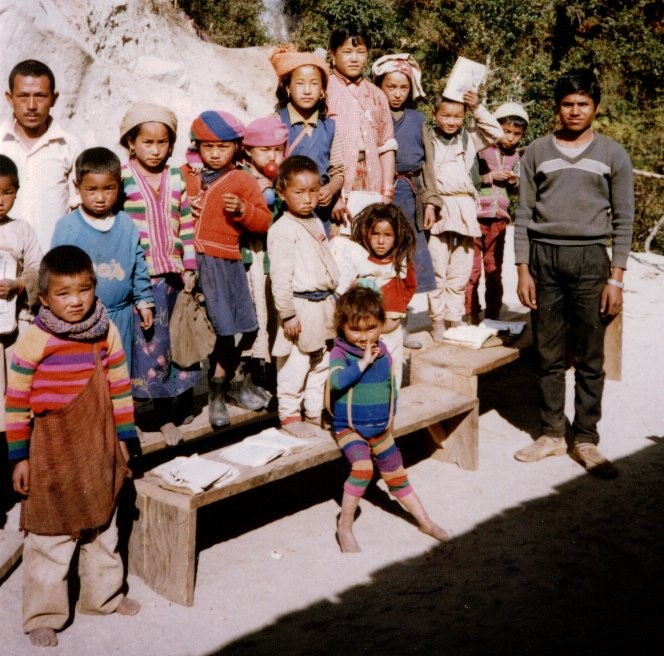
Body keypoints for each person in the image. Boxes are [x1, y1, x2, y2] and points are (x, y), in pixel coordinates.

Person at [6, 245, 140, 648]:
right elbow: (15, 400)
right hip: (50, 447)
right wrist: (19, 457)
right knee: (50, 533)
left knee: (103, 523)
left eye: (84, 290)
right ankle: (44, 613)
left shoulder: (105, 330)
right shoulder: (35, 339)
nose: (77, 301)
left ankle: (102, 596)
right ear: (44, 299)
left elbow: (119, 386)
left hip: (98, 439)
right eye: (64, 293)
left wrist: (124, 438)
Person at [513, 68, 634, 478]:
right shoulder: (536, 151)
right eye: (568, 103)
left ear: (595, 108)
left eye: (583, 103)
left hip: (590, 262)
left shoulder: (613, 154)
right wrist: (523, 269)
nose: (575, 110)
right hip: (544, 260)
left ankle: (585, 438)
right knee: (546, 353)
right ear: (557, 107)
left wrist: (616, 277)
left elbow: (623, 220)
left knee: (589, 355)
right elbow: (523, 215)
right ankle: (550, 433)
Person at [327, 286, 451, 552]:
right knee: (363, 469)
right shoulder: (341, 353)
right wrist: (361, 364)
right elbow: (336, 382)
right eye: (355, 330)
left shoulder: (384, 352)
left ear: (381, 325)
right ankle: (345, 525)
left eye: (371, 328)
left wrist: (391, 418)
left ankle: (425, 521)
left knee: (397, 475)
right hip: (349, 428)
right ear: (342, 327)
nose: (363, 337)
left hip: (380, 428)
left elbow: (391, 389)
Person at [181, 111, 272, 428]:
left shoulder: (243, 180)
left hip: (228, 260)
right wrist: (186, 199)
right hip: (195, 262)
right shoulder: (187, 175)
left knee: (246, 328)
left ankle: (231, 383)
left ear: (236, 147)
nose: (215, 153)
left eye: (222, 146)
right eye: (207, 147)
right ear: (197, 147)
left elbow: (264, 220)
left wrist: (244, 210)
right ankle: (217, 393)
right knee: (218, 330)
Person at [119, 102, 201, 446]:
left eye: (162, 143)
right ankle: (142, 415)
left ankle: (170, 411)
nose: (155, 150)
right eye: (147, 142)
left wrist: (190, 265)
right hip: (139, 280)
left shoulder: (177, 177)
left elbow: (185, 222)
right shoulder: (122, 178)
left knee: (172, 345)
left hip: (172, 277)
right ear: (130, 143)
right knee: (144, 348)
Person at [51, 147, 154, 374]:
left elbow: (138, 266)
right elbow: (56, 277)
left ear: (119, 185)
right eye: (91, 189)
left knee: (119, 377)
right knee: (87, 377)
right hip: (81, 320)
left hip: (122, 317)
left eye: (109, 189)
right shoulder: (67, 227)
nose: (100, 197)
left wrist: (144, 301)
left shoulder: (126, 224)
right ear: (77, 187)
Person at [267, 156, 339, 437]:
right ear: (282, 193)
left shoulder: (316, 221)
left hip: (323, 307)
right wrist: (287, 314)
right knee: (294, 365)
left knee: (320, 363)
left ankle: (313, 413)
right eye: (299, 193)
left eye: (313, 191)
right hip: (300, 308)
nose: (308, 199)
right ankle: (289, 417)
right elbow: (280, 278)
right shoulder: (282, 230)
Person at [372, 53, 440, 344]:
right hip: (381, 192)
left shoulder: (417, 119)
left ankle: (404, 325)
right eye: (391, 86)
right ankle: (380, 325)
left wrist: (431, 201)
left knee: (409, 260)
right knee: (382, 257)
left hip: (411, 194)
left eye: (403, 87)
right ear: (379, 86)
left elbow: (428, 163)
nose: (397, 93)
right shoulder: (373, 115)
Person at [427, 90, 503, 342]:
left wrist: (476, 107)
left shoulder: (469, 139)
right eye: (446, 115)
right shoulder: (428, 139)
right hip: (439, 208)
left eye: (457, 116)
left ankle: (455, 318)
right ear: (435, 114)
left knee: (460, 269)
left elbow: (496, 133)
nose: (451, 121)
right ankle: (437, 320)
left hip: (465, 209)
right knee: (438, 267)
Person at [0, 60, 81, 252]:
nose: (31, 105)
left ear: (54, 99)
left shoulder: (69, 146)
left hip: (53, 264)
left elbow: (80, 210)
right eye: (23, 96)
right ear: (10, 98)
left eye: (40, 96)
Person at [0, 155, 42, 512]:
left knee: (15, 401)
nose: (0, 200)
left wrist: (18, 284)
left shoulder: (22, 230)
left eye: (7, 192)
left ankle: (15, 471)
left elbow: (37, 270)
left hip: (15, 332)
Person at [326, 23, 397, 226]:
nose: (354, 58)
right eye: (347, 52)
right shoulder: (325, 90)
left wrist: (387, 191)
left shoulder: (376, 95)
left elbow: (386, 145)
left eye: (361, 52)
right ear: (333, 53)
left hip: (371, 183)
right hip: (337, 184)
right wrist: (332, 196)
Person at [269, 44, 344, 234]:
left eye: (314, 83)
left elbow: (338, 171)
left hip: (319, 214)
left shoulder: (331, 127)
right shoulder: (276, 122)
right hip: (284, 213)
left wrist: (331, 189)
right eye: (300, 83)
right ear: (287, 87)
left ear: (323, 90)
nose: (307, 90)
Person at [465, 102, 529, 323]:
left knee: (493, 270)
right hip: (474, 216)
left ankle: (492, 315)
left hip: (498, 220)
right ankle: (470, 313)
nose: (510, 137)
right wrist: (491, 177)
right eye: (506, 131)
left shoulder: (517, 158)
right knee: (471, 271)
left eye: (516, 134)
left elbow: (516, 189)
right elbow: (467, 180)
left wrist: (513, 182)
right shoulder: (481, 149)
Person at [241, 115, 289, 391]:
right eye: (264, 150)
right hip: (253, 253)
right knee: (256, 307)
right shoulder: (243, 176)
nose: (272, 156)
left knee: (273, 309)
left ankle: (271, 370)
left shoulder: (281, 175)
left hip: (275, 252)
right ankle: (250, 373)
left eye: (277, 149)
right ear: (248, 151)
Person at [350, 203, 416, 389]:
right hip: (367, 335)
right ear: (366, 233)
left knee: (393, 370)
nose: (381, 241)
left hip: (392, 333)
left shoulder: (401, 262)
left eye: (387, 235)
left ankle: (391, 405)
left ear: (397, 237)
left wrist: (398, 305)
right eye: (375, 234)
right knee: (369, 372)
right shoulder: (360, 261)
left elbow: (410, 286)